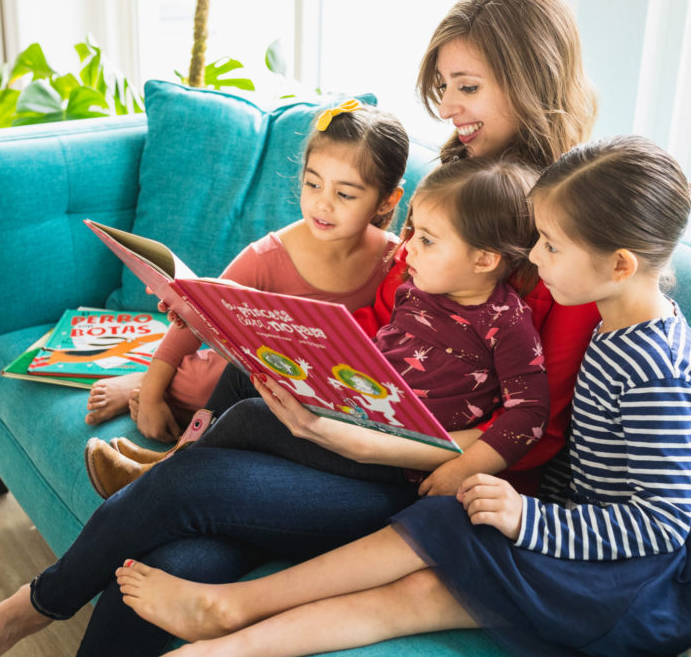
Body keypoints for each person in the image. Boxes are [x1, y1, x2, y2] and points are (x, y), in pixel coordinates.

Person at [0, 0, 602, 657]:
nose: (449, 109)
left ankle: (30, 608)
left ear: (532, 78)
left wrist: (378, 443)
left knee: (195, 486)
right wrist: (301, 356)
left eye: (467, 88)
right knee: (178, 554)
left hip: (428, 482)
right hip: (356, 428)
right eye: (442, 89)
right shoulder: (446, 189)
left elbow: (537, 431)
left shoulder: (568, 232)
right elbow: (386, 324)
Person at [100, 135, 691, 657]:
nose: (535, 258)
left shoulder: (655, 366)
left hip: (653, 580)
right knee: (427, 565)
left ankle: (225, 621)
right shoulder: (622, 327)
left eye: (552, 247)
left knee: (431, 560)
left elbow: (659, 524)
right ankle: (214, 641)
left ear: (619, 265)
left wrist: (529, 521)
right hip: (607, 536)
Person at [86, 158, 550, 498]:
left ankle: (158, 478)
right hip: (357, 408)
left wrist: (467, 466)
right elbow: (381, 354)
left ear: (486, 260)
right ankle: (171, 462)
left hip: (392, 455)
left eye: (425, 240)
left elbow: (530, 412)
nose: (406, 251)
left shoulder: (506, 323)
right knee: (244, 376)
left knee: (253, 415)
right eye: (411, 234)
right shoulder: (417, 288)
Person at [84, 99, 407, 439]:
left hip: (316, 392)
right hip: (240, 375)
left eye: (344, 194)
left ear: (386, 201)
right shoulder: (269, 255)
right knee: (203, 386)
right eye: (313, 184)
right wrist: (150, 397)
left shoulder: (395, 260)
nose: (322, 204)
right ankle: (150, 382)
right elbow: (194, 321)